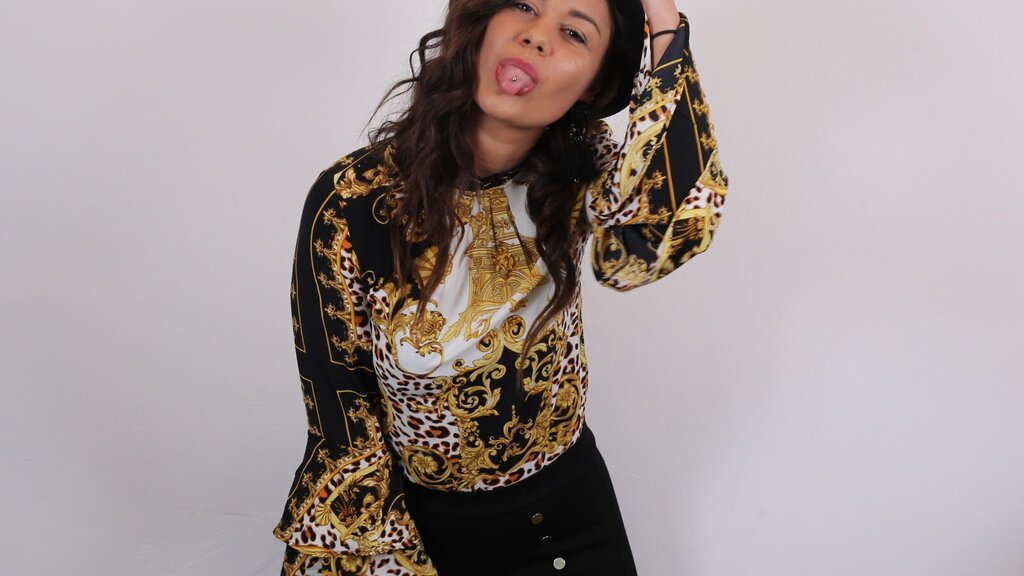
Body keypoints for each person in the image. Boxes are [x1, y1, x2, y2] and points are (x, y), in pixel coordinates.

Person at [271, 0, 729, 574]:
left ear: (593, 85)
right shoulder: (352, 202)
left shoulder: (583, 172)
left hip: (570, 523)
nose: (537, 36)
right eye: (524, 5)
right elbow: (344, 419)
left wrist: (663, 21)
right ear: (484, 23)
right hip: (424, 537)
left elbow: (673, 224)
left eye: (573, 33)